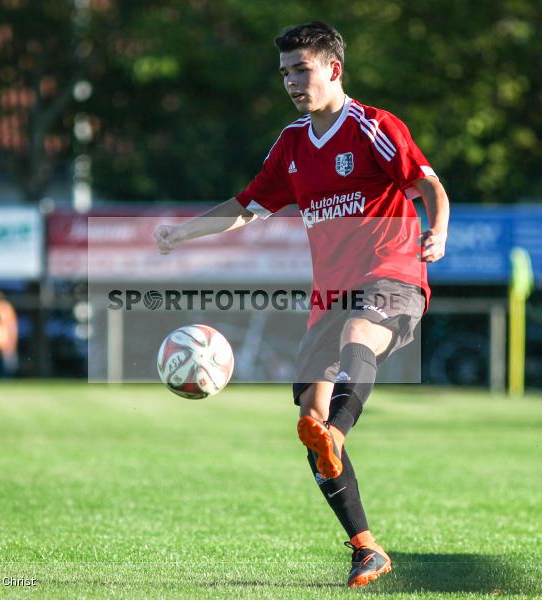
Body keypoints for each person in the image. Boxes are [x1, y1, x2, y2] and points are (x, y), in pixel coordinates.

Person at [154, 21, 449, 587]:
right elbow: (246, 206)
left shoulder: (374, 127)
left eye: (302, 69)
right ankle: (366, 547)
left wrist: (439, 231)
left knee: (358, 338)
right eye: (285, 71)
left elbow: (429, 183)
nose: (292, 80)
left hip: (392, 273)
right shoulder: (291, 145)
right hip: (330, 294)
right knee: (308, 417)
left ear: (333, 69)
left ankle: (338, 431)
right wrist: (182, 234)